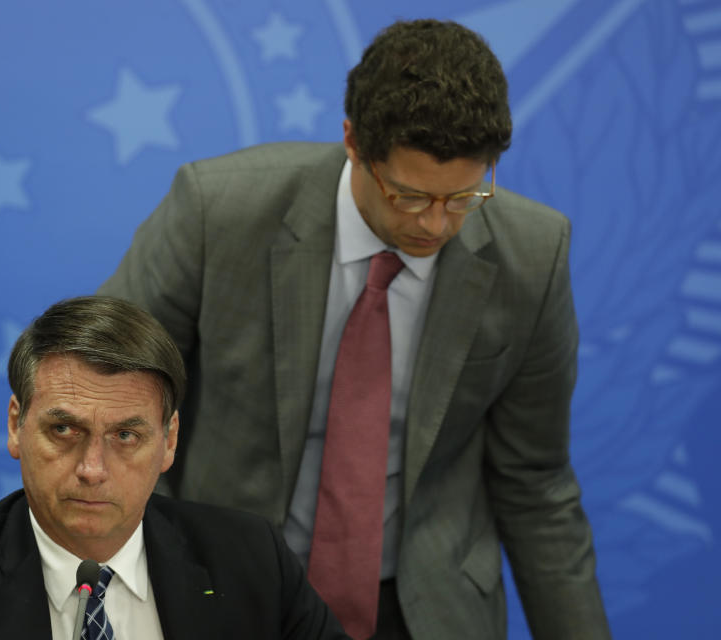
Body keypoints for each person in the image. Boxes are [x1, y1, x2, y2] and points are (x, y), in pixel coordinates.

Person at [98, 18, 610, 640]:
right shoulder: (218, 214)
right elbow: (106, 397)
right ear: (352, 143)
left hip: (424, 607)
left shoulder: (532, 256)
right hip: (223, 589)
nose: (438, 226)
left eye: (466, 197)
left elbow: (535, 483)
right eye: (410, 197)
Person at [0, 296, 348, 639]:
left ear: (169, 441)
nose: (91, 469)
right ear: (17, 425)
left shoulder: (251, 561)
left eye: (126, 436)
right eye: (64, 430)